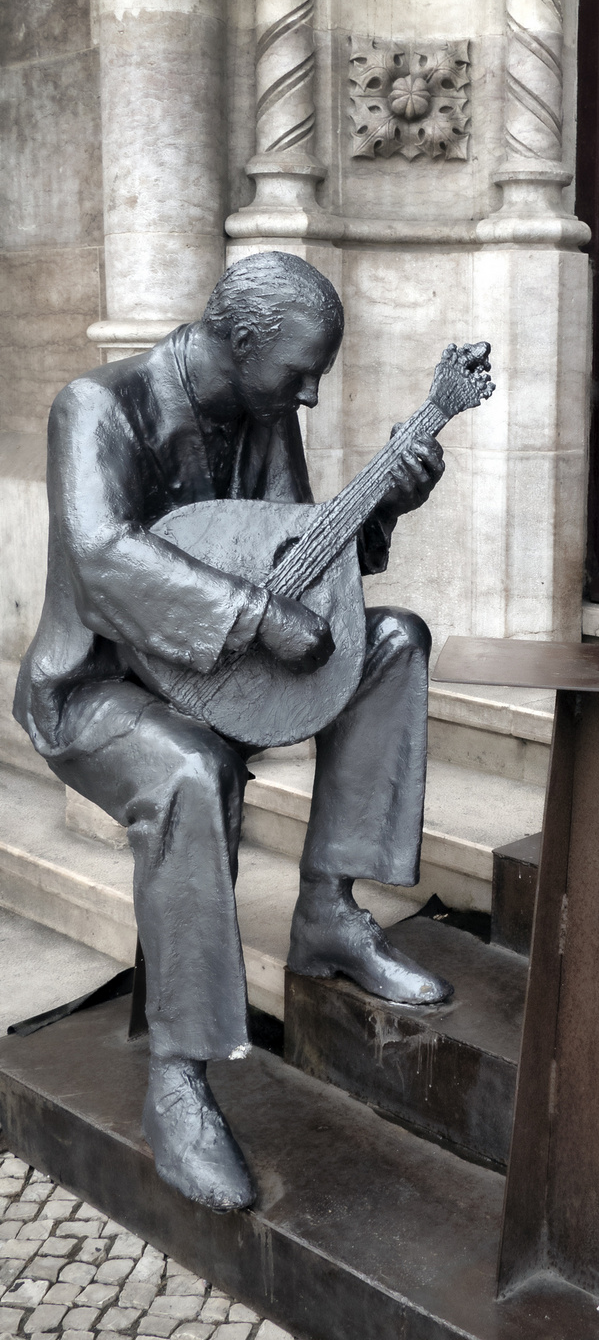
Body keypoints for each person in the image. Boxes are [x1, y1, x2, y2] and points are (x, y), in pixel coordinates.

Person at [14, 252, 451, 1211]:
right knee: (187, 772)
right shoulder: (97, 406)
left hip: (228, 680)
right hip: (99, 689)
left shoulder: (262, 415)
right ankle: (180, 1078)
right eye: (300, 372)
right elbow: (99, 560)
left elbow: (298, 549)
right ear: (242, 342)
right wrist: (255, 620)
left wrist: (382, 509)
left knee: (392, 641)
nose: (309, 394)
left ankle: (330, 913)